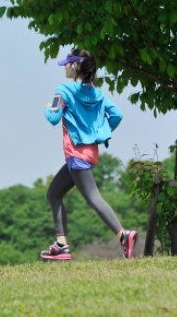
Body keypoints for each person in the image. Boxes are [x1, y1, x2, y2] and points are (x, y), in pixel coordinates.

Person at [40, 49, 137, 260]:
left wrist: (49, 108)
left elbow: (53, 118)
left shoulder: (62, 91)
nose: (64, 67)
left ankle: (123, 234)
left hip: (76, 155)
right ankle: (61, 244)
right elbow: (117, 115)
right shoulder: (98, 94)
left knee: (93, 198)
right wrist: (100, 132)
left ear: (74, 66)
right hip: (89, 154)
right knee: (54, 194)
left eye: (66, 63)